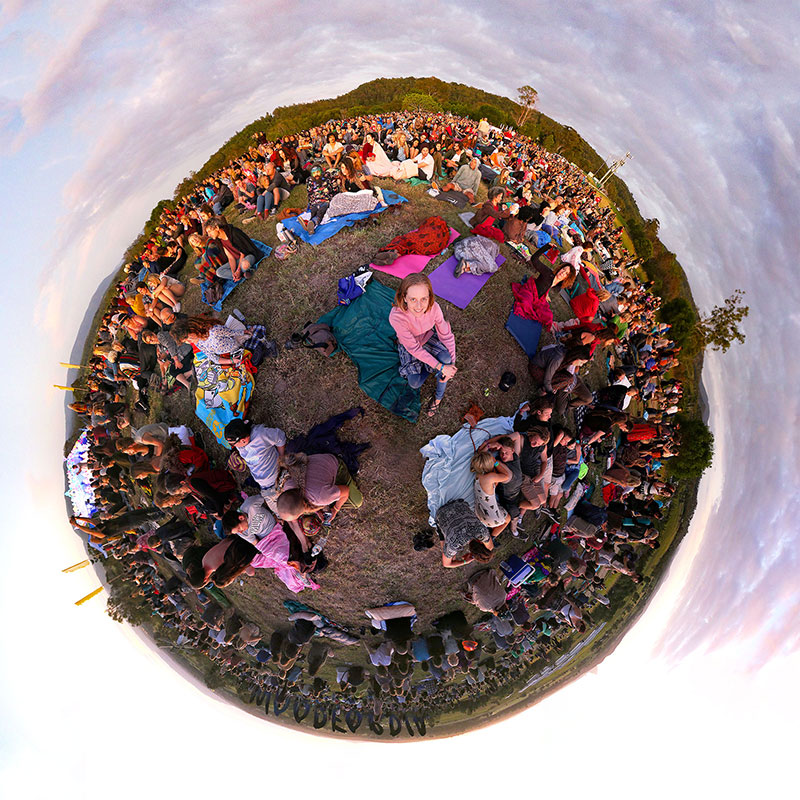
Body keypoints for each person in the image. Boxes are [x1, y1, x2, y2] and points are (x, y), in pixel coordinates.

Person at [388, 273, 457, 417]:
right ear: (404, 298)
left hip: (427, 338)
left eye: (423, 299)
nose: (419, 306)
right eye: (413, 299)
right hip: (409, 346)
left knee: (446, 358)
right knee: (414, 383)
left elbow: (446, 335)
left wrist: (451, 365)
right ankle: (431, 367)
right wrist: (441, 367)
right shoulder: (396, 317)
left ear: (430, 297)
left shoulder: (435, 308)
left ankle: (438, 399)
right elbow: (413, 348)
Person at [223, 419, 286, 508]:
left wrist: (282, 457)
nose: (233, 447)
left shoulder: (260, 435)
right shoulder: (241, 443)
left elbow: (280, 437)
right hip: (264, 487)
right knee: (278, 512)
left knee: (284, 510)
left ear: (244, 440)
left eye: (233, 444)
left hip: (276, 480)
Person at [435, 499, 495, 568]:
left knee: (450, 553)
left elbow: (490, 546)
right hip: (441, 512)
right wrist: (465, 561)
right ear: (471, 550)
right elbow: (446, 564)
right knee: (451, 557)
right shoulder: (455, 544)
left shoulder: (482, 532)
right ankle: (441, 533)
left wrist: (478, 553)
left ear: (481, 543)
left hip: (459, 504)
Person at [469, 451, 512, 537]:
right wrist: (495, 462)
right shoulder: (490, 477)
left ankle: (491, 529)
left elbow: (494, 484)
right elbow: (506, 476)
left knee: (497, 512)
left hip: (480, 514)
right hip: (491, 518)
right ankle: (492, 536)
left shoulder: (478, 475)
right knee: (508, 519)